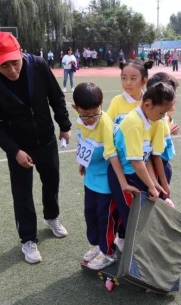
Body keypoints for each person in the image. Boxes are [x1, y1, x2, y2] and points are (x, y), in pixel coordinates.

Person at [0, 32, 71, 264]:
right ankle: (28, 240)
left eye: (15, 62)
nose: (12, 70)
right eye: (4, 66)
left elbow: (56, 96)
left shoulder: (38, 66)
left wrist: (64, 125)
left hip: (46, 140)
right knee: (22, 194)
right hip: (19, 147)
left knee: (51, 182)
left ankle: (52, 217)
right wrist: (14, 150)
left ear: (21, 53)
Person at [72, 82, 139, 269]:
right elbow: (83, 144)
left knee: (105, 217)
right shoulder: (80, 121)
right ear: (75, 108)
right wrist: (82, 163)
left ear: (101, 106)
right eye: (85, 114)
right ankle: (97, 245)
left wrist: (123, 182)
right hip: (91, 179)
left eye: (95, 112)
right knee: (90, 214)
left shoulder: (105, 123)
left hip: (107, 183)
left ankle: (108, 252)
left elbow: (112, 155)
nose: (91, 118)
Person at [107, 82, 174, 251]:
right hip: (124, 175)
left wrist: (156, 184)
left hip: (139, 174)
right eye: (161, 112)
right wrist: (152, 186)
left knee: (142, 215)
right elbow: (136, 162)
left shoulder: (155, 120)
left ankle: (139, 249)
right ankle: (132, 254)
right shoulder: (134, 123)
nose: (163, 116)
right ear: (147, 105)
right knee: (132, 216)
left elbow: (148, 157)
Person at [147, 72, 180, 202]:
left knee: (162, 196)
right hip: (158, 164)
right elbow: (155, 154)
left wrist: (171, 128)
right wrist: (164, 183)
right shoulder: (156, 118)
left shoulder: (162, 115)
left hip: (164, 162)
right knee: (161, 197)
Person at [106, 60, 154, 127]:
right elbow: (107, 125)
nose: (128, 83)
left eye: (133, 79)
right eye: (124, 78)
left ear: (144, 80)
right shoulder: (116, 101)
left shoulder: (150, 102)